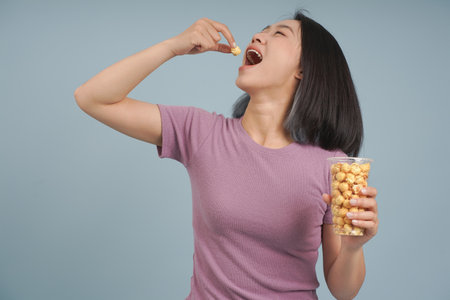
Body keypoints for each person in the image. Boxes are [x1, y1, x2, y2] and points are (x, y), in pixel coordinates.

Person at [74, 9, 379, 300]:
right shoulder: (201, 133)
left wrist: (353, 248)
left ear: (304, 69)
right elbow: (92, 98)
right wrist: (172, 47)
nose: (258, 38)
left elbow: (344, 291)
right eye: (260, 32)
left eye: (279, 34)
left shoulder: (335, 167)